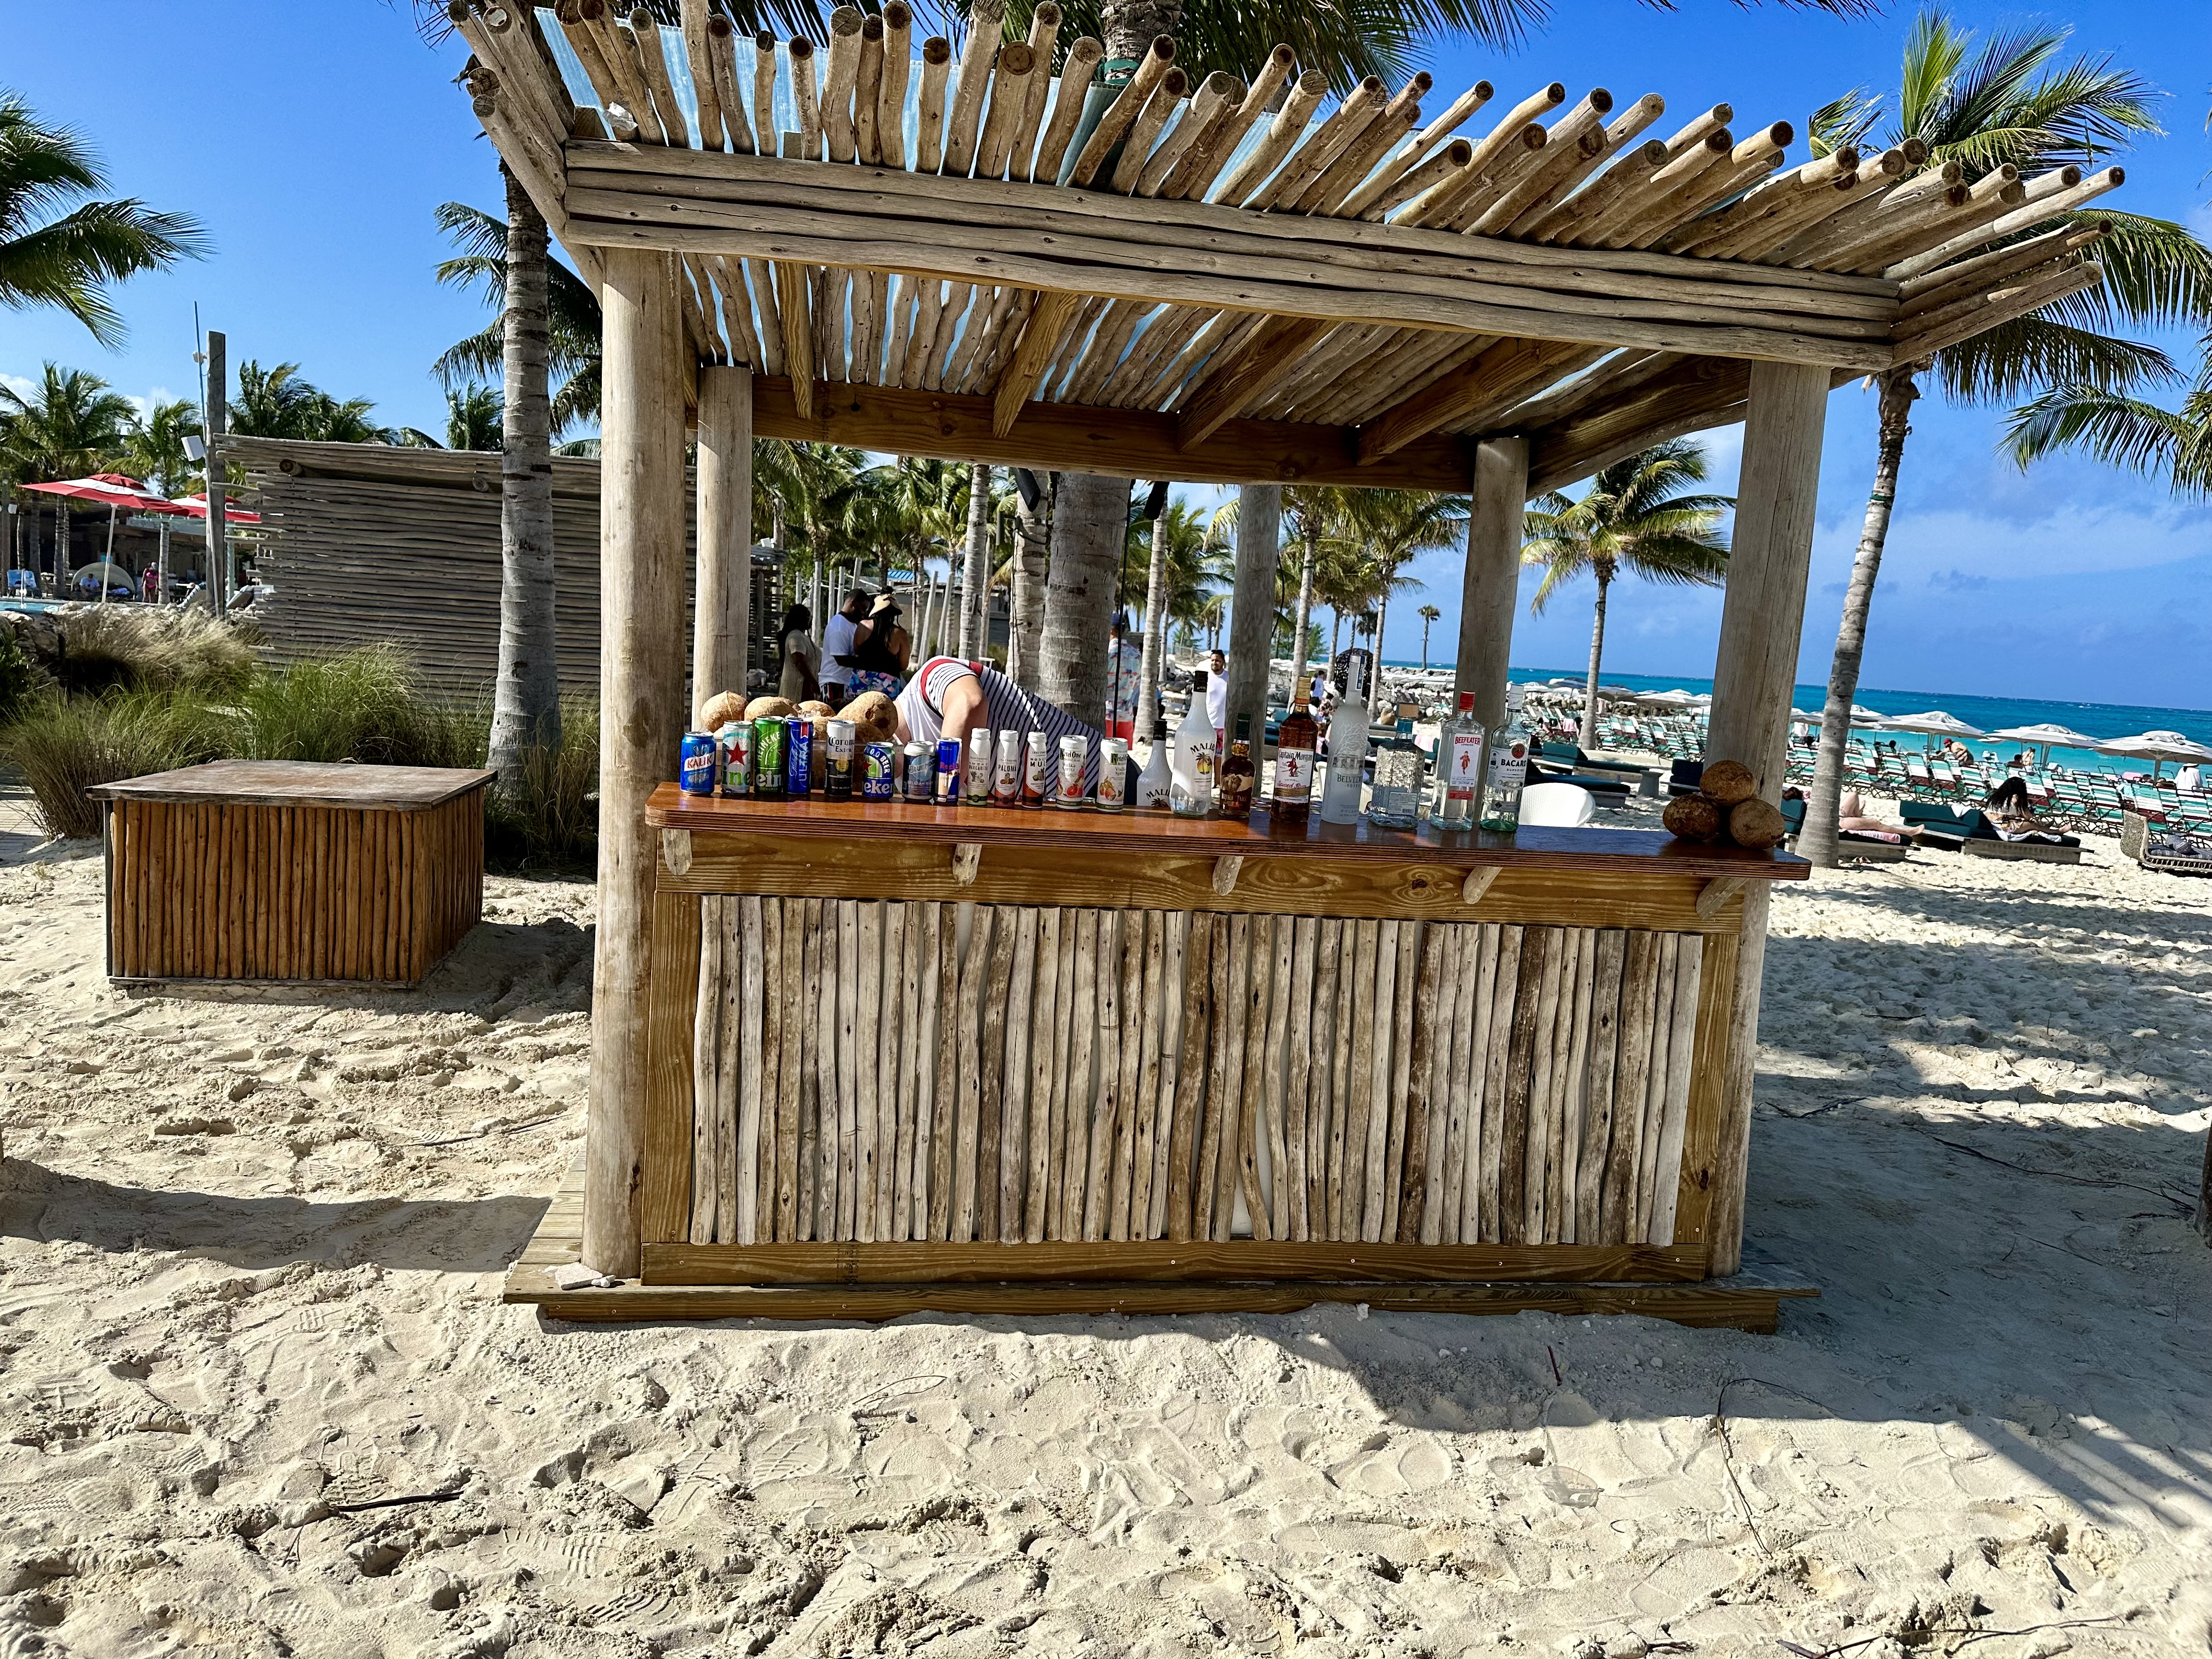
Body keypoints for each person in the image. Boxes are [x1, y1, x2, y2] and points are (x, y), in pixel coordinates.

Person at [894, 656, 1104, 794]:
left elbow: (970, 702)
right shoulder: (910, 764)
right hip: (1055, 802)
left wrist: (945, 791)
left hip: (1098, 776)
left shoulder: (930, 676)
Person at [846, 592, 909, 698]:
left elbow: (857, 650)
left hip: (860, 681)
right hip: (887, 684)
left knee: (855, 713)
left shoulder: (863, 626)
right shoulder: (900, 634)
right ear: (894, 614)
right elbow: (903, 665)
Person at [819, 584, 871, 707]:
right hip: (833, 682)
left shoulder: (852, 625)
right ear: (853, 603)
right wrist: (869, 663)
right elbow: (841, 659)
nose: (864, 613)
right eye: (863, 608)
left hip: (844, 682)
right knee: (833, 720)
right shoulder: (839, 626)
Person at [1982, 776, 2072, 844]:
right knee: (2033, 825)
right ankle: (2058, 831)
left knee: (2026, 823)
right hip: (2004, 827)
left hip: (1989, 823)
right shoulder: (2016, 798)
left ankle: (2044, 827)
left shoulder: (1995, 796)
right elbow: (2028, 816)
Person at [777, 603, 821, 702]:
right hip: (801, 686)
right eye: (809, 617)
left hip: (807, 685)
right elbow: (799, 662)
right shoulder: (795, 637)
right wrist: (813, 683)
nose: (811, 620)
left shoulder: (802, 637)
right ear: (801, 619)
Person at [1205, 649, 1228, 731]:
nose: (1215, 663)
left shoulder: (1229, 678)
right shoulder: (1206, 678)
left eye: (1218, 661)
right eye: (1213, 660)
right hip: (1207, 724)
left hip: (1223, 726)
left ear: (1223, 662)